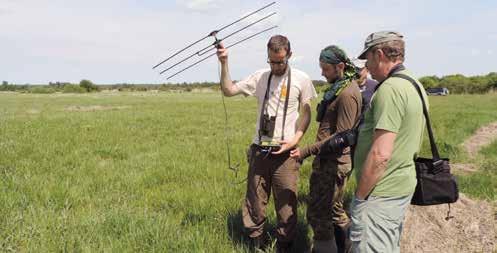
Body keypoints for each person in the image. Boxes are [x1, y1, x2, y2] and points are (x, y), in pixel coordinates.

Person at [216, 35, 317, 252]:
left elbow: (307, 114)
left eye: (280, 61)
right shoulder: (260, 77)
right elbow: (228, 90)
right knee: (255, 201)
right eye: (271, 61)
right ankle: (257, 244)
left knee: (286, 205)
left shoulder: (302, 79)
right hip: (260, 152)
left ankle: (284, 246)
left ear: (289, 55)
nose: (276, 65)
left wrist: (295, 140)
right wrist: (224, 63)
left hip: (286, 155)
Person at [350, 31, 429, 253]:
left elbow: (380, 155)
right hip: (400, 187)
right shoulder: (414, 84)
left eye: (368, 59)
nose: (367, 66)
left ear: (379, 54)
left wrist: (360, 197)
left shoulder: (390, 89)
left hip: (380, 194)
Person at [290, 45, 362, 253]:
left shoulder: (348, 93)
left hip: (334, 164)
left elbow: (342, 136)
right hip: (327, 161)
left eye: (326, 69)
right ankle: (347, 248)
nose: (322, 73)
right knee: (334, 211)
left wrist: (306, 151)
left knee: (319, 214)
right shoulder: (339, 87)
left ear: (340, 66)